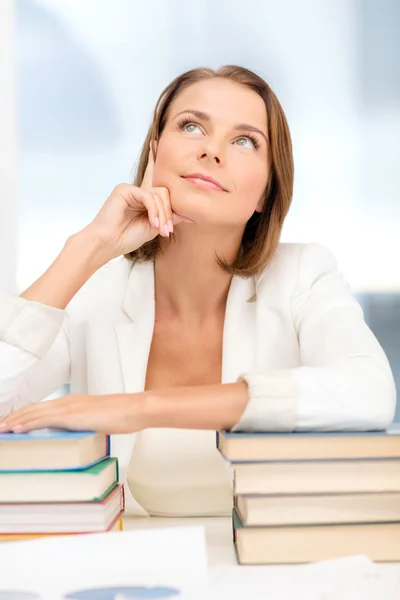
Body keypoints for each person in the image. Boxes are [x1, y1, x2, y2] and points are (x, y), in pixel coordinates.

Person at [0, 65, 396, 517]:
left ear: (267, 190)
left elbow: (370, 392)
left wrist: (141, 408)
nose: (211, 150)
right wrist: (88, 247)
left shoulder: (303, 275)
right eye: (191, 126)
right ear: (154, 155)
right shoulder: (97, 293)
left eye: (245, 140)